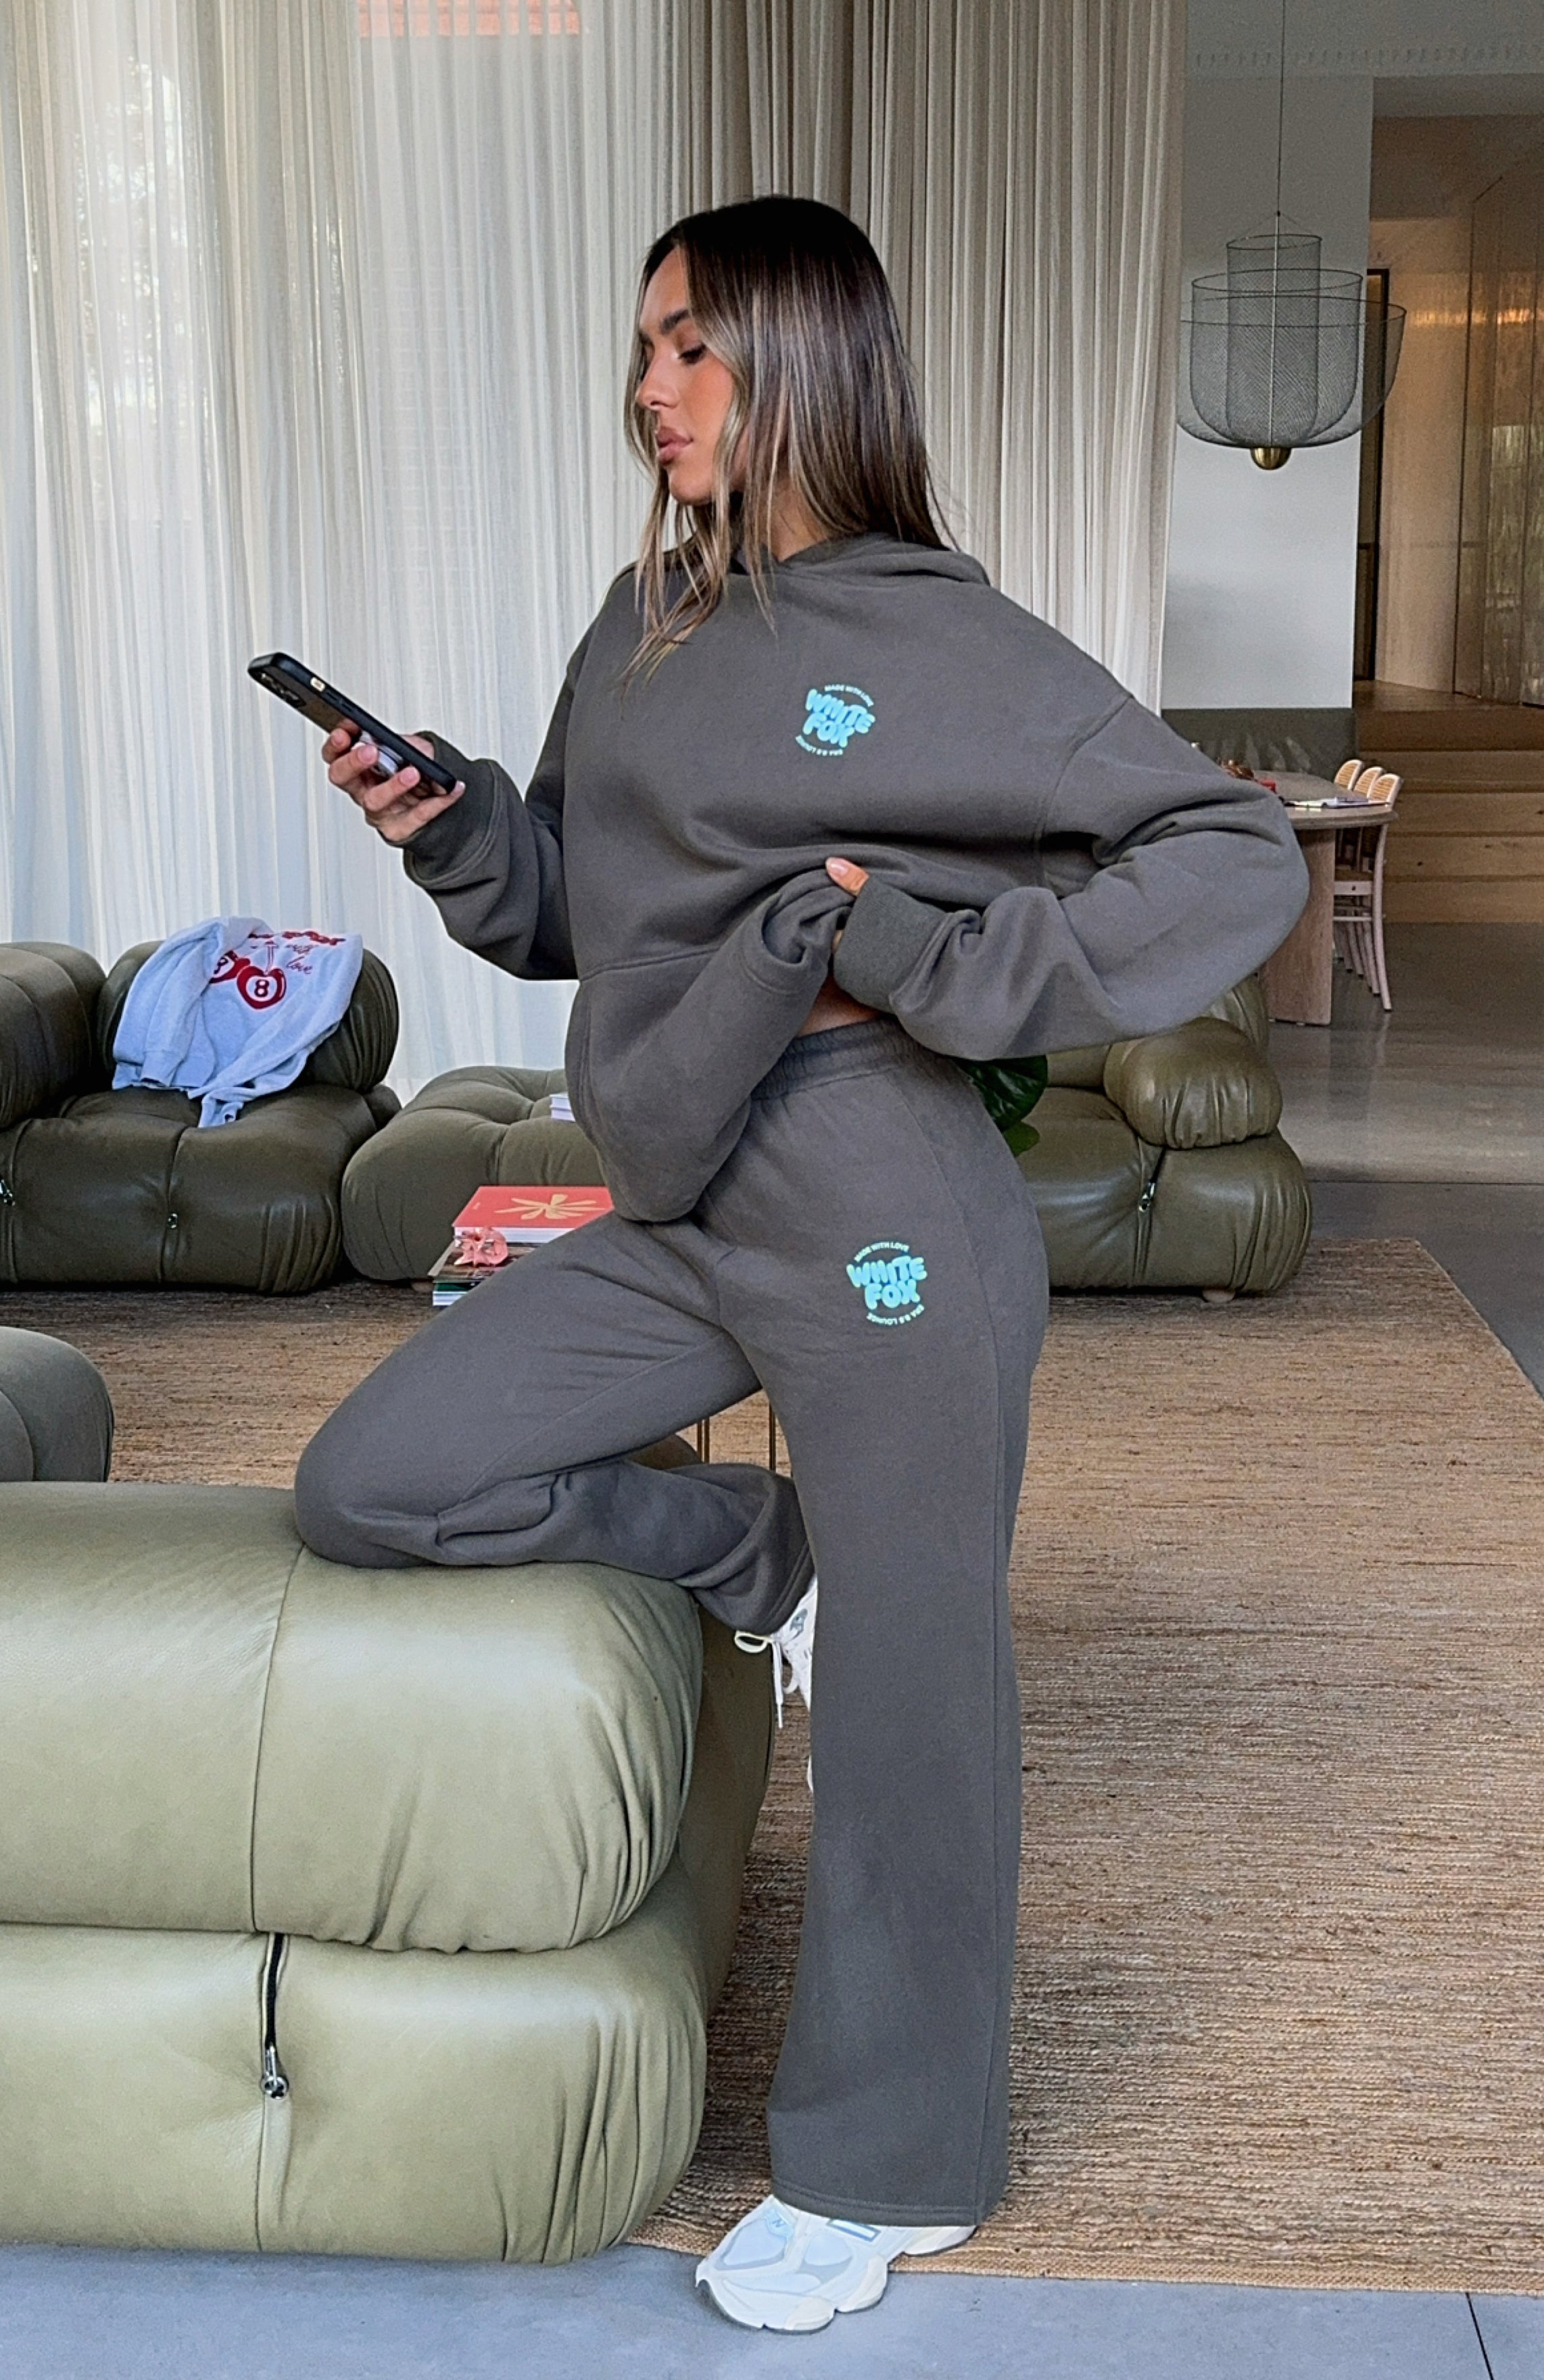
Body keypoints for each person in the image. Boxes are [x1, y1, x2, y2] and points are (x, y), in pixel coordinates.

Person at [294, 195, 1307, 2334]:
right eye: (642, 347)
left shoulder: (944, 637)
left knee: (920, 1698)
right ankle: (768, 1559)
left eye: (689, 345)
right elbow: (575, 901)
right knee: (381, 1476)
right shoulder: (645, 618)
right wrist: (449, 821)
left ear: (804, 356)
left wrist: (927, 951)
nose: (648, 388)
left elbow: (1223, 852)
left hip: (878, 1202)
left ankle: (885, 2163)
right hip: (676, 1189)